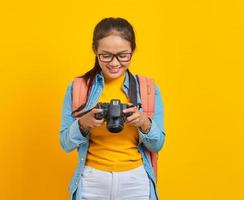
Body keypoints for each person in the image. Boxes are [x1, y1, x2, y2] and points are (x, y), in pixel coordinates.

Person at [60, 17, 165, 200]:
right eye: (106, 55)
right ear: (95, 50)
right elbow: (65, 144)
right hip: (92, 181)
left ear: (132, 51)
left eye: (123, 55)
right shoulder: (79, 88)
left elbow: (157, 144)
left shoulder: (147, 89)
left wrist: (143, 122)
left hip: (135, 182)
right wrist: (83, 124)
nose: (114, 63)